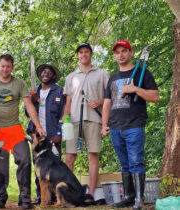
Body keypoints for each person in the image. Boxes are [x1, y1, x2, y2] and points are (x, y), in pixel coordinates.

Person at [0, 54, 46, 209]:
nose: (5, 69)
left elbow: (29, 106)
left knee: (24, 158)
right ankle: (0, 197)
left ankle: (25, 199)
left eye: (8, 66)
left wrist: (38, 126)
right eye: (2, 66)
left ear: (12, 67)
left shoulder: (19, 84)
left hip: (15, 129)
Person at [101, 40, 159, 210]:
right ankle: (129, 196)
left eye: (124, 51)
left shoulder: (142, 73)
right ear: (114, 56)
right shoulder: (112, 78)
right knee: (124, 164)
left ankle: (139, 199)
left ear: (131, 52)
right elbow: (106, 103)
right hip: (115, 127)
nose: (121, 55)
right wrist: (104, 125)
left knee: (136, 162)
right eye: (117, 52)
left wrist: (135, 90)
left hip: (134, 125)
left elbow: (155, 97)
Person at [63, 43, 109, 203]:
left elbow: (109, 97)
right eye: (80, 52)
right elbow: (67, 102)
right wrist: (65, 119)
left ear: (91, 54)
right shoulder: (70, 77)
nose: (83, 55)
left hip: (94, 120)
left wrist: (99, 101)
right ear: (77, 55)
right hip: (74, 121)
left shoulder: (102, 74)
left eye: (86, 52)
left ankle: (90, 193)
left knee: (93, 155)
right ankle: (69, 192)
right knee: (69, 157)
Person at [26, 63, 65, 205]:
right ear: (40, 74)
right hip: (37, 137)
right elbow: (27, 113)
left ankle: (55, 198)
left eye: (49, 71)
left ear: (53, 76)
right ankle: (40, 196)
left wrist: (59, 132)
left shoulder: (59, 91)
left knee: (55, 169)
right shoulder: (34, 91)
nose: (46, 73)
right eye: (44, 71)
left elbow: (63, 115)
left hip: (53, 137)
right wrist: (31, 101)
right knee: (38, 169)